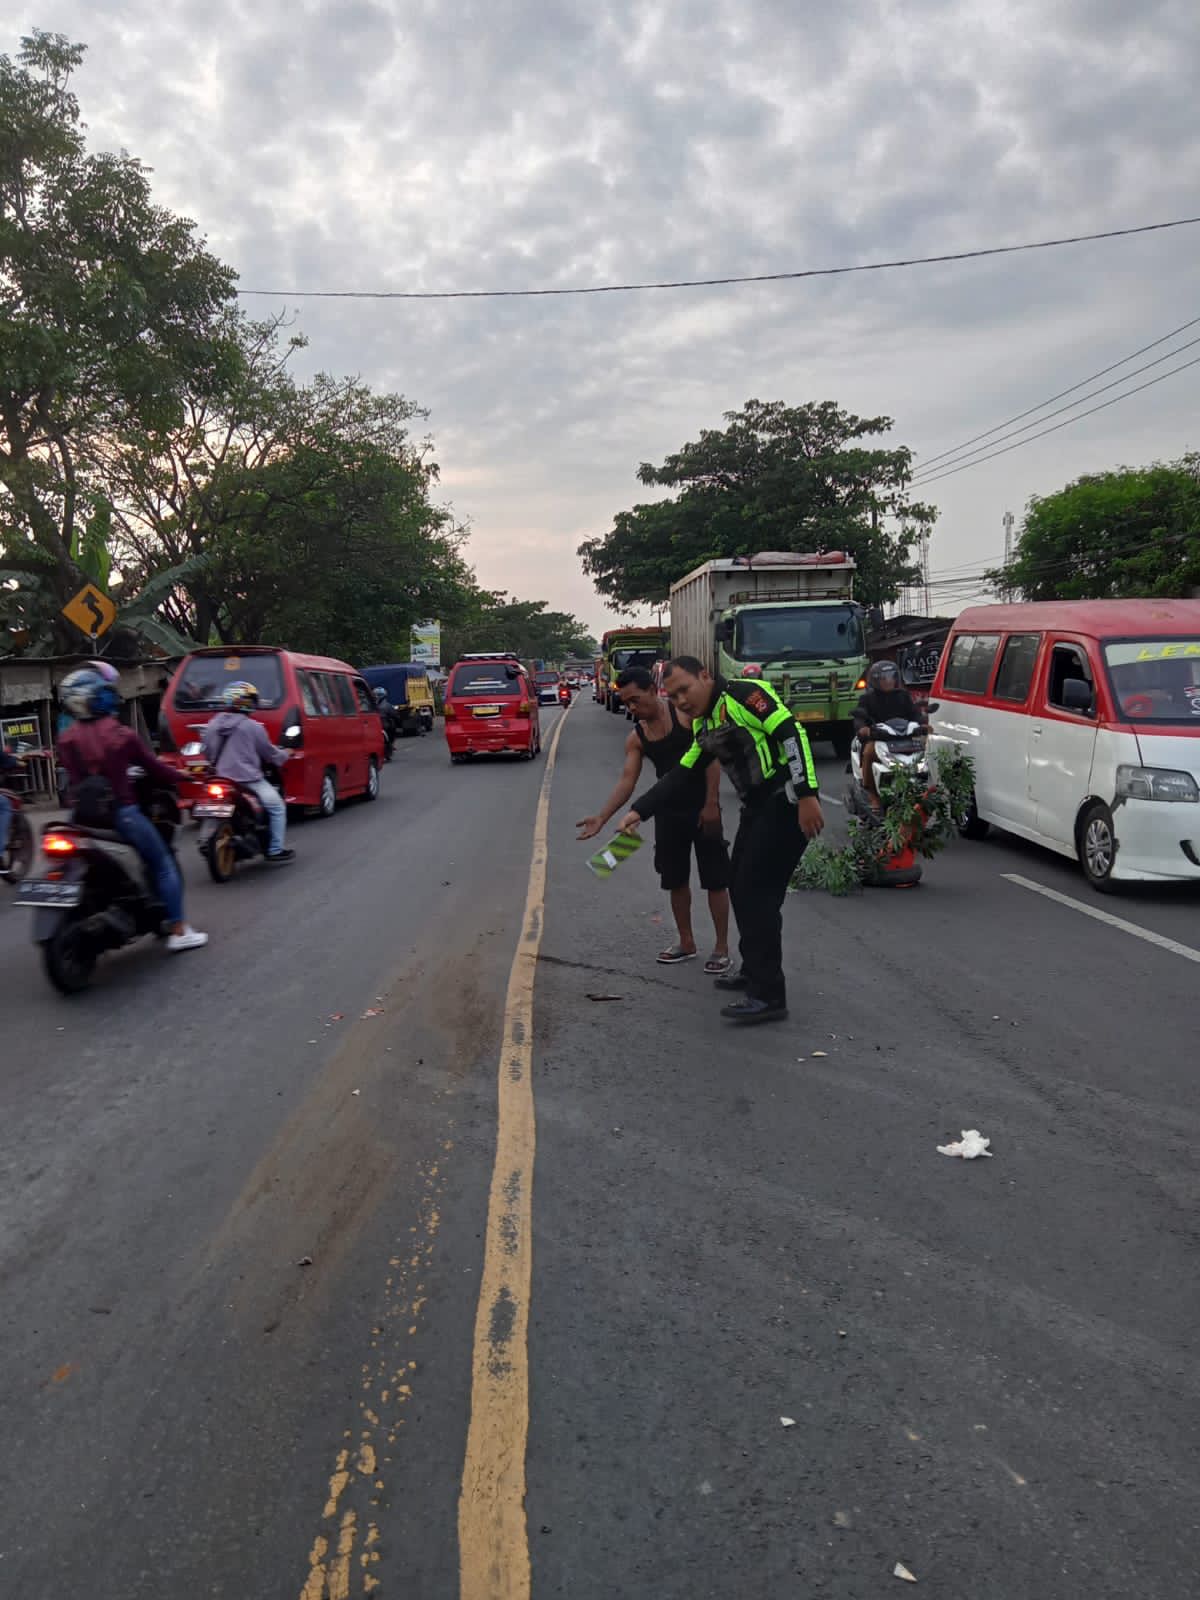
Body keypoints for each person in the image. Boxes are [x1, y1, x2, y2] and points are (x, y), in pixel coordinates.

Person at [617, 656, 823, 1025]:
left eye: (685, 689)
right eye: (673, 695)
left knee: (756, 895)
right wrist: (639, 811)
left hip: (784, 802)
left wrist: (808, 794)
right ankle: (755, 971)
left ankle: (768, 994)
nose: (680, 700)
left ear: (706, 676)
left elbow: (791, 733)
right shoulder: (706, 723)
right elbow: (681, 773)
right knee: (740, 888)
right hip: (757, 807)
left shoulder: (746, 696)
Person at [577, 665, 732, 972]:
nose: (632, 708)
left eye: (635, 699)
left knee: (715, 880)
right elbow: (627, 781)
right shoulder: (636, 737)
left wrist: (712, 803)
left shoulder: (685, 717)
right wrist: (602, 817)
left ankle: (721, 948)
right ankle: (686, 943)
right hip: (668, 813)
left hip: (703, 808)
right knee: (675, 880)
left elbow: (710, 760)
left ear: (652, 690)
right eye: (626, 704)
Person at [56, 668, 208, 952]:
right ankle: (178, 930)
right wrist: (183, 776)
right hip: (122, 814)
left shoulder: (67, 739)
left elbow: (75, 780)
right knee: (162, 864)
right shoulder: (121, 734)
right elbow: (156, 769)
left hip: (80, 817)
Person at [201, 681, 295, 862]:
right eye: (251, 700)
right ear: (245, 702)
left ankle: (208, 839)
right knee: (277, 807)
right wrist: (285, 754)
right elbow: (269, 753)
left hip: (220, 778)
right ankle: (275, 849)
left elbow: (207, 751)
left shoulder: (212, 725)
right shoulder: (253, 727)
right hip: (247, 779)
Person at [852, 660, 926, 802]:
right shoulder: (867, 699)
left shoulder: (903, 696)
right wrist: (863, 728)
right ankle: (873, 795)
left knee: (924, 757)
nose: (888, 681)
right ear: (876, 680)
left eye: (891, 676)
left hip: (904, 740)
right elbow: (859, 717)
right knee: (868, 753)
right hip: (879, 739)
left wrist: (923, 724)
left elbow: (915, 713)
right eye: (883, 678)